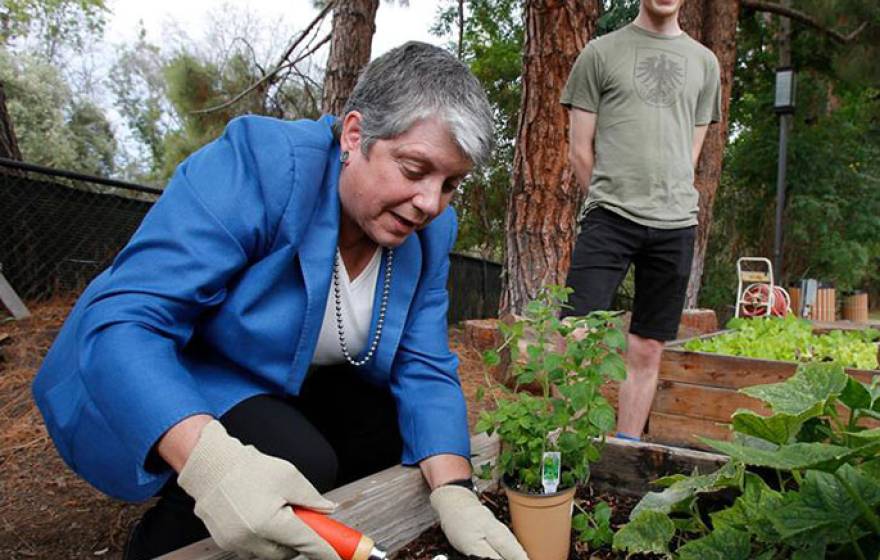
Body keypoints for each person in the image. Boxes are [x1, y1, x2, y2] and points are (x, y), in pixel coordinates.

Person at [32, 42, 528, 560]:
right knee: (294, 455)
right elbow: (123, 321)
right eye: (413, 169)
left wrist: (454, 490)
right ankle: (171, 542)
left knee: (386, 434)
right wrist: (215, 467)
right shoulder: (261, 164)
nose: (430, 202)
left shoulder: (430, 231)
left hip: (282, 383)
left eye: (451, 183)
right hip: (173, 368)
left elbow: (423, 365)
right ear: (355, 136)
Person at [560, 0, 721, 440]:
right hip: (609, 218)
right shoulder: (600, 53)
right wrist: (612, 197)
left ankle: (625, 450)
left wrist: (665, 197)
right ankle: (572, 449)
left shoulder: (705, 64)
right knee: (576, 337)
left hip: (675, 224)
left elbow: (690, 152)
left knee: (648, 346)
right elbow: (579, 150)